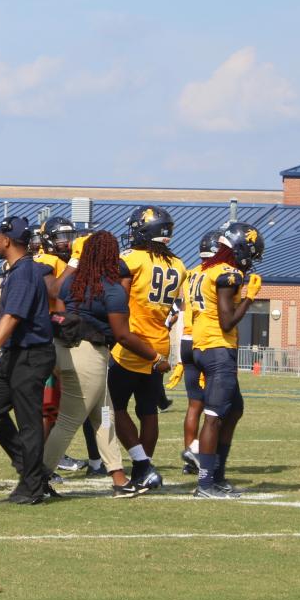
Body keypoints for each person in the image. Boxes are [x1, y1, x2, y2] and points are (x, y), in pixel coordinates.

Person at [45, 230, 141, 498]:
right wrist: (154, 358)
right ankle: (37, 477)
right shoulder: (110, 289)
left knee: (104, 417)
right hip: (89, 354)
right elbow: (122, 331)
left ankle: (119, 478)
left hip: (65, 348)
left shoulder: (73, 281)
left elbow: (58, 291)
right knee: (67, 421)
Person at [0, 217, 56, 505]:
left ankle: (32, 488)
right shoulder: (19, 270)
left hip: (31, 354)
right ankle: (33, 469)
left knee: (29, 422)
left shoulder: (23, 273)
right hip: (16, 353)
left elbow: (12, 317)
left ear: (7, 240)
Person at [188, 222, 265, 499]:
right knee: (214, 415)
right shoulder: (227, 274)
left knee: (234, 410)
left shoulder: (204, 270)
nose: (252, 259)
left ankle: (217, 477)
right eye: (251, 252)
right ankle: (206, 483)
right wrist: (249, 299)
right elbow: (228, 320)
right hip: (217, 347)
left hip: (205, 345)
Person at [114, 207, 186, 490]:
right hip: (160, 342)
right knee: (148, 411)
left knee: (114, 407)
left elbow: (118, 297)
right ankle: (144, 468)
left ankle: (142, 465)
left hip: (133, 341)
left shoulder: (131, 259)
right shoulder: (178, 265)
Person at [176, 228, 222, 473]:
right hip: (206, 340)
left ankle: (190, 456)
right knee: (213, 406)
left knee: (194, 403)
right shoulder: (219, 274)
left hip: (186, 339)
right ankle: (202, 455)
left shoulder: (191, 274)